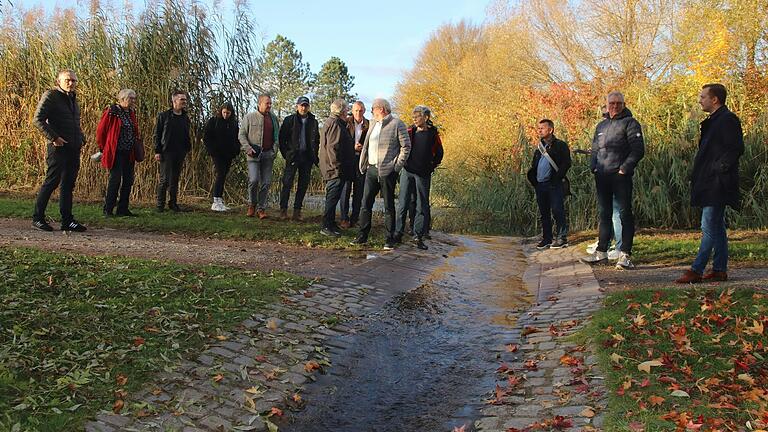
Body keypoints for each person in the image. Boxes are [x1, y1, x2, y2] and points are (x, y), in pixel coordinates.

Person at [675, 84, 744, 284]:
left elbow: (736, 148)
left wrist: (719, 168)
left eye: (703, 97)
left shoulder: (727, 120)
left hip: (718, 182)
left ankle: (697, 269)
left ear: (715, 99)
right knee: (717, 226)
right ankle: (719, 269)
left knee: (709, 225)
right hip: (709, 181)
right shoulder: (712, 122)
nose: (700, 100)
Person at [582, 91, 644, 269]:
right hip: (602, 176)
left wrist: (625, 168)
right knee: (604, 213)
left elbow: (638, 150)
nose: (615, 106)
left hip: (620, 176)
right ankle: (601, 252)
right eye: (612, 103)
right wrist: (593, 166)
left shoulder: (630, 123)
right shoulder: (601, 126)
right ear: (607, 105)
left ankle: (625, 254)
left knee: (624, 214)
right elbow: (595, 148)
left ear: (624, 104)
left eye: (618, 103)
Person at [351, 98, 411, 250]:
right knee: (365, 204)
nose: (371, 112)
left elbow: (406, 147)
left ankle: (389, 239)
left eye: (373, 109)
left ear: (381, 109)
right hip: (371, 169)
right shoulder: (372, 124)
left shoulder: (397, 124)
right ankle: (362, 236)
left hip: (387, 171)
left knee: (388, 206)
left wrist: (396, 167)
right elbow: (366, 145)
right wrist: (363, 164)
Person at [32, 69, 87, 232]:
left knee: (68, 184)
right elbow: (38, 119)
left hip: (73, 147)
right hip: (58, 148)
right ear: (59, 81)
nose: (71, 83)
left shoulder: (73, 99)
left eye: (74, 81)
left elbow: (73, 122)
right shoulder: (51, 96)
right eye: (67, 80)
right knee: (52, 182)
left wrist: (81, 137)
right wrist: (54, 138)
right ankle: (38, 218)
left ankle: (67, 220)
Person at [394, 105, 443, 250]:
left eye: (417, 116)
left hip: (423, 174)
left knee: (422, 205)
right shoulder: (410, 132)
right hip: (407, 171)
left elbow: (440, 153)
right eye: (413, 116)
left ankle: (418, 236)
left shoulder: (433, 135)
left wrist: (431, 166)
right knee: (403, 203)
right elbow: (401, 147)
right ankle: (398, 233)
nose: (414, 119)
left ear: (426, 117)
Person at [96, 88, 144, 217]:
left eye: (134, 98)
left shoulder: (131, 113)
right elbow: (101, 131)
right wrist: (103, 147)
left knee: (128, 180)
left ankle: (123, 208)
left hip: (129, 152)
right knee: (115, 180)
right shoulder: (112, 112)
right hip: (115, 152)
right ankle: (108, 209)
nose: (133, 101)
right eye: (131, 98)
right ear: (122, 99)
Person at [526, 119, 571, 250]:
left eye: (542, 128)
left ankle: (562, 238)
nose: (539, 130)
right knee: (544, 212)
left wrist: (557, 178)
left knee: (557, 210)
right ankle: (547, 238)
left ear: (550, 130)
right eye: (538, 128)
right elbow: (534, 165)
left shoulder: (560, 145)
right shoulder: (539, 147)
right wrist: (534, 180)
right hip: (540, 185)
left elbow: (566, 163)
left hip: (554, 184)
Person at [278, 96, 319, 221]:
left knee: (303, 185)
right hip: (293, 156)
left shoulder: (313, 121)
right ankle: (283, 210)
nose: (303, 107)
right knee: (287, 183)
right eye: (301, 105)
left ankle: (297, 211)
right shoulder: (289, 120)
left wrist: (314, 153)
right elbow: (282, 139)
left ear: (308, 107)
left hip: (307, 157)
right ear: (297, 106)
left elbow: (316, 139)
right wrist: (287, 154)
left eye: (306, 105)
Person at [239, 94, 279, 219]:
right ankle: (252, 204)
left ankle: (261, 209)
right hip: (253, 155)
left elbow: (277, 137)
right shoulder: (249, 117)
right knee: (254, 180)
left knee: (266, 183)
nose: (269, 106)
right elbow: (241, 135)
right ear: (259, 103)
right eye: (267, 103)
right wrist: (248, 148)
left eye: (270, 103)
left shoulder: (273, 118)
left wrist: (274, 151)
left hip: (268, 154)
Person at [319, 99, 355, 236]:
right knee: (332, 197)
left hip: (333, 167)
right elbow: (332, 147)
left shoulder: (333, 122)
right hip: (334, 168)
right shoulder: (335, 124)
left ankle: (331, 224)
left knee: (333, 196)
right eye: (346, 110)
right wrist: (336, 166)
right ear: (341, 111)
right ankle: (326, 226)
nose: (347, 113)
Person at [154, 90, 191, 212]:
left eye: (185, 100)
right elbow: (157, 134)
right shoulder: (164, 116)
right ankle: (160, 205)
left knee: (175, 179)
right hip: (167, 151)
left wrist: (187, 148)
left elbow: (187, 134)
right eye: (182, 100)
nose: (184, 102)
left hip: (180, 151)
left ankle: (173, 203)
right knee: (164, 179)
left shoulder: (185, 117)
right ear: (174, 101)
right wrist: (157, 151)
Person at [204, 102, 240, 212]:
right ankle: (216, 200)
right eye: (224, 112)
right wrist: (212, 150)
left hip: (228, 154)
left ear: (231, 113)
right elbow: (207, 137)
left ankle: (219, 200)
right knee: (220, 174)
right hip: (217, 154)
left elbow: (236, 138)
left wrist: (236, 150)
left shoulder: (233, 123)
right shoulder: (213, 121)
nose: (225, 115)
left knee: (224, 175)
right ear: (221, 111)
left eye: (228, 113)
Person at [340, 101, 369, 228]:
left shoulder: (369, 124)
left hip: (361, 160)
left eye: (361, 110)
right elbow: (339, 140)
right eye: (356, 110)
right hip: (347, 160)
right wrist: (352, 147)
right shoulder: (346, 122)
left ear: (364, 111)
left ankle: (355, 218)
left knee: (359, 190)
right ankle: (344, 218)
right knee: (345, 190)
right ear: (352, 111)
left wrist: (363, 148)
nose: (358, 113)